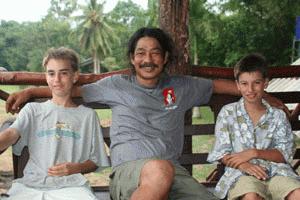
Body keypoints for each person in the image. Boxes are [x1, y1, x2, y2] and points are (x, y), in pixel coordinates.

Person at [5, 28, 287, 200]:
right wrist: (31, 92)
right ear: (132, 58)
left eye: (155, 53)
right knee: (158, 168)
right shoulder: (116, 85)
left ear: (164, 58)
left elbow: (221, 85)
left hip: (174, 175)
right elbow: (70, 90)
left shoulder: (182, 86)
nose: (147, 59)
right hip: (129, 174)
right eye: (141, 53)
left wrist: (269, 98)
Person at [0, 47, 109, 199]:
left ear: (75, 76)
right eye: (51, 73)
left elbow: (96, 160)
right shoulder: (33, 110)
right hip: (31, 186)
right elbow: (11, 133)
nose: (57, 79)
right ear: (46, 77)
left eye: (63, 73)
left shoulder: (88, 116)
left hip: (73, 187)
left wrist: (76, 167)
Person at [207, 53, 300, 200]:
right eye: (244, 84)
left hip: (277, 171)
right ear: (237, 85)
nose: (250, 89)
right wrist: (244, 165)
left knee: (297, 193)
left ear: (265, 83)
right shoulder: (228, 113)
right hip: (241, 174)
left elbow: (285, 154)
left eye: (256, 83)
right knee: (251, 196)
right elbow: (222, 153)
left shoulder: (277, 116)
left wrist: (254, 153)